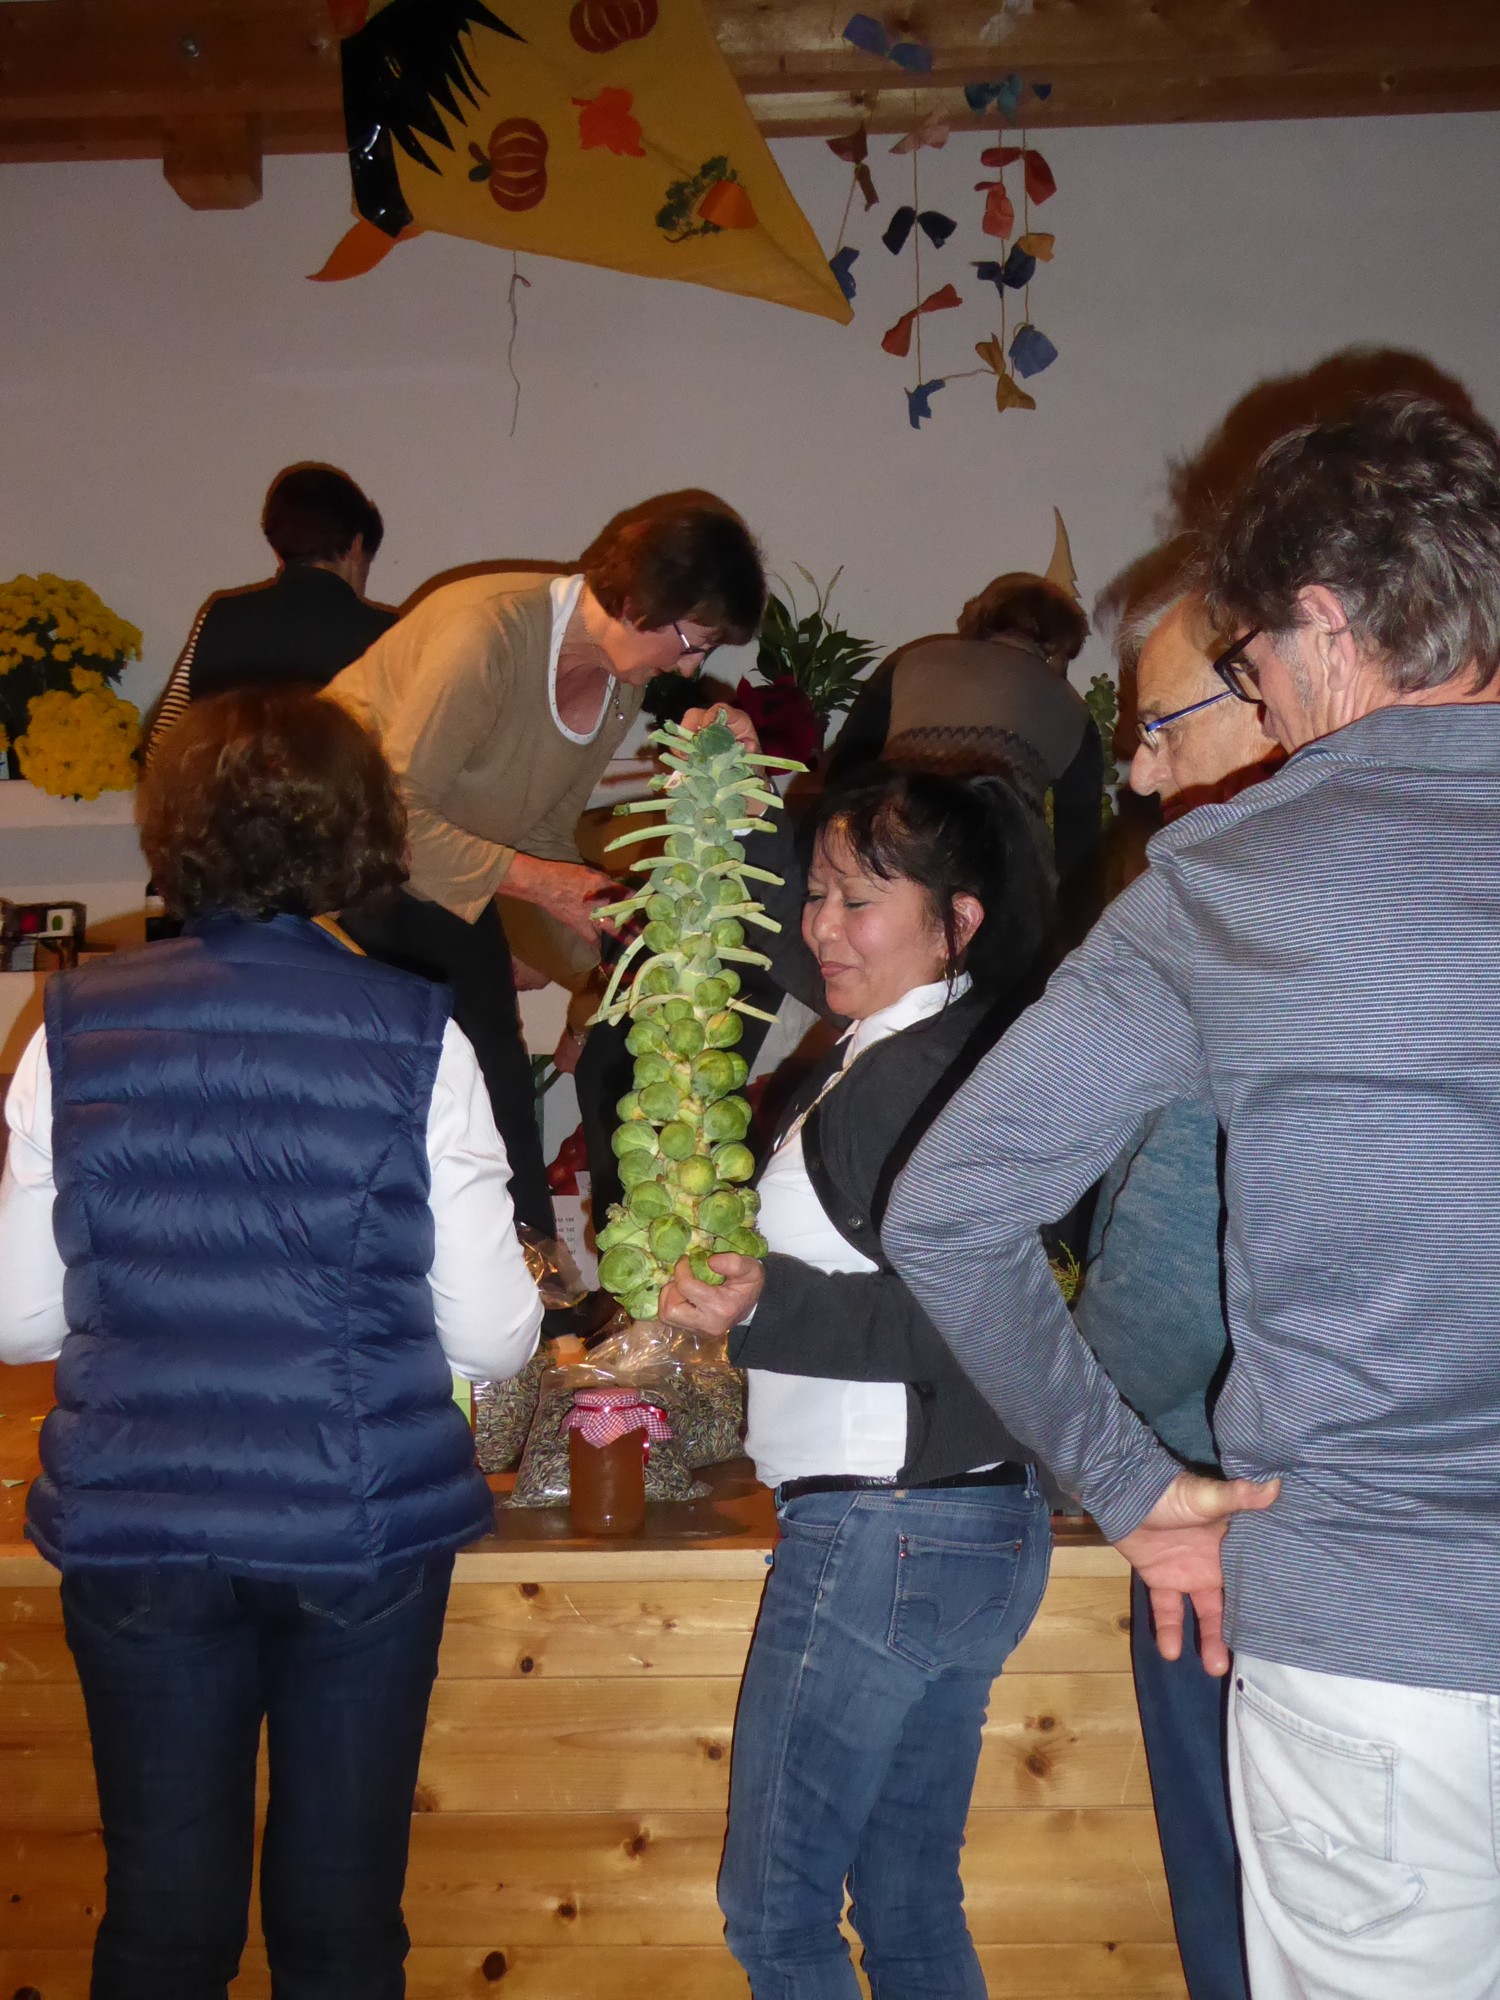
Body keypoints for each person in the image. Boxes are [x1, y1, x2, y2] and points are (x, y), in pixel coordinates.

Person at [882, 392, 1500, 2000]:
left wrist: (1136, 1490)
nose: (1261, 698)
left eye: (1250, 660)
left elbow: (948, 1210)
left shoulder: (1232, 885)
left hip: (1381, 1655)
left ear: (1327, 627)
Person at [0, 687, 543, 2000]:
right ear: (361, 838)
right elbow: (492, 1334)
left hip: (139, 1520)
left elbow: (18, 1317)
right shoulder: (419, 1034)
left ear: (173, 832)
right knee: (341, 1928)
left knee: (162, 1922)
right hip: (356, 1522)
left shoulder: (72, 1027)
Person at [659, 763, 1055, 2000]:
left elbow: (975, 1317)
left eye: (861, 900)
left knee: (777, 1916)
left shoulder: (911, 1077)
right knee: (908, 1905)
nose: (823, 926)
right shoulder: (925, 1055)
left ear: (958, 919)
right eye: (817, 894)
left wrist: (762, 1303)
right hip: (962, 1519)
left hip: (887, 1523)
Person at [327, 494, 766, 1237]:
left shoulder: (622, 685)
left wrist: (612, 943)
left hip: (432, 880)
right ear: (641, 600)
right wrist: (545, 888)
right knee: (446, 1085)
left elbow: (542, 831)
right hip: (336, 879)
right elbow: (392, 823)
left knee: (500, 1088)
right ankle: (492, 1279)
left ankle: (535, 1282)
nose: (689, 665)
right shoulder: (487, 635)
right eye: (694, 642)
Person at [1072, 578, 1281, 2000]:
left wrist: (1088, 1439)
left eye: (1163, 727)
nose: (1142, 775)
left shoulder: (1227, 926)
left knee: (1241, 1917)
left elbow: (1159, 1287)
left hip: (1231, 1515)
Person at [822, 565, 1102, 912]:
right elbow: (1081, 854)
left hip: (899, 843)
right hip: (1002, 868)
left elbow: (846, 768)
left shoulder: (909, 662)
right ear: (1054, 648)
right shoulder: (1073, 709)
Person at [145, 464, 396, 760]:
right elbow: (406, 752)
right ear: (356, 545)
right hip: (335, 790)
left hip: (225, 788)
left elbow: (164, 740)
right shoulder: (391, 635)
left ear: (278, 549)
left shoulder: (220, 617)